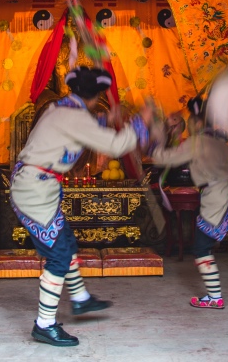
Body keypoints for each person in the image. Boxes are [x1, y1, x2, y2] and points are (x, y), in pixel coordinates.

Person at [11, 66, 152, 347]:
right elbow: (114, 145)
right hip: (35, 189)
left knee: (65, 241)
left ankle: (79, 298)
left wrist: (107, 118)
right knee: (59, 258)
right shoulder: (74, 116)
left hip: (36, 185)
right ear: (93, 96)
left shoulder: (60, 108)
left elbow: (80, 129)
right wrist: (140, 123)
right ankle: (44, 325)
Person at [150, 96, 228, 309]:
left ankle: (215, 297)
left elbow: (165, 158)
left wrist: (155, 140)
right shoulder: (215, 140)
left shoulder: (198, 141)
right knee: (203, 246)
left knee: (201, 247)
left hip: (217, 196)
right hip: (225, 194)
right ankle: (214, 295)